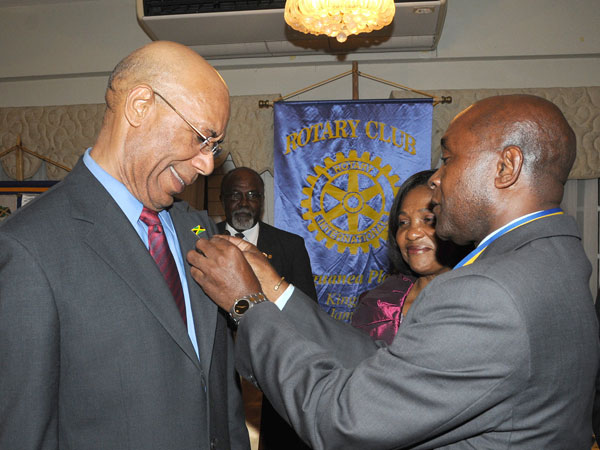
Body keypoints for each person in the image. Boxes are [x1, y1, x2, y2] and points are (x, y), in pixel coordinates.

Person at [188, 94, 599, 448]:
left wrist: (247, 304)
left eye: (449, 158)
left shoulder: (488, 292)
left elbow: (340, 420)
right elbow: (382, 364)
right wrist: (276, 290)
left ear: (506, 166)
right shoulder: (556, 257)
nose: (436, 179)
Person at [0, 41, 249, 450]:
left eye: (215, 147)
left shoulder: (197, 228)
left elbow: (221, 394)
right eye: (202, 138)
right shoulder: (30, 250)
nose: (208, 165)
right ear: (140, 106)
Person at [218, 166, 316, 450]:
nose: (244, 203)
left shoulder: (290, 245)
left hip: (273, 368)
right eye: (236, 195)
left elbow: (306, 308)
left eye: (252, 195)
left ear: (262, 200)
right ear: (223, 199)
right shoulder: (203, 239)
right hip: (221, 366)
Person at [351, 169, 469, 344]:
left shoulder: (482, 301)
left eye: (429, 219)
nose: (412, 234)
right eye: (403, 223)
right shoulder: (377, 302)